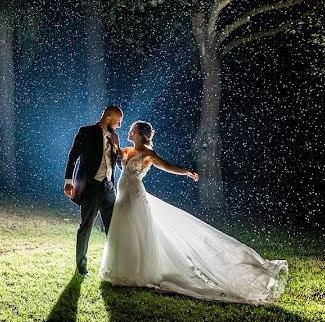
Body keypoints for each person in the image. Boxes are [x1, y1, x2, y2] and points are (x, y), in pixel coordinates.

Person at [99, 120, 288, 304]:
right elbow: (116, 159)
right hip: (122, 196)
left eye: (132, 130)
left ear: (141, 134)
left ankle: (135, 273)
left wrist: (186, 172)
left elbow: (167, 166)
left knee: (135, 231)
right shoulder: (126, 150)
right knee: (123, 230)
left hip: (135, 195)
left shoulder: (148, 153)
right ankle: (121, 270)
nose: (129, 132)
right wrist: (114, 144)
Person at [64, 105, 123, 276]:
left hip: (109, 189)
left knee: (113, 228)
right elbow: (72, 157)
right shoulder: (86, 132)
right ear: (108, 119)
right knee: (86, 227)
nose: (119, 125)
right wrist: (68, 182)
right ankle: (82, 267)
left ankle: (115, 266)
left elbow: (117, 161)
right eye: (118, 122)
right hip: (91, 188)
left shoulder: (115, 137)